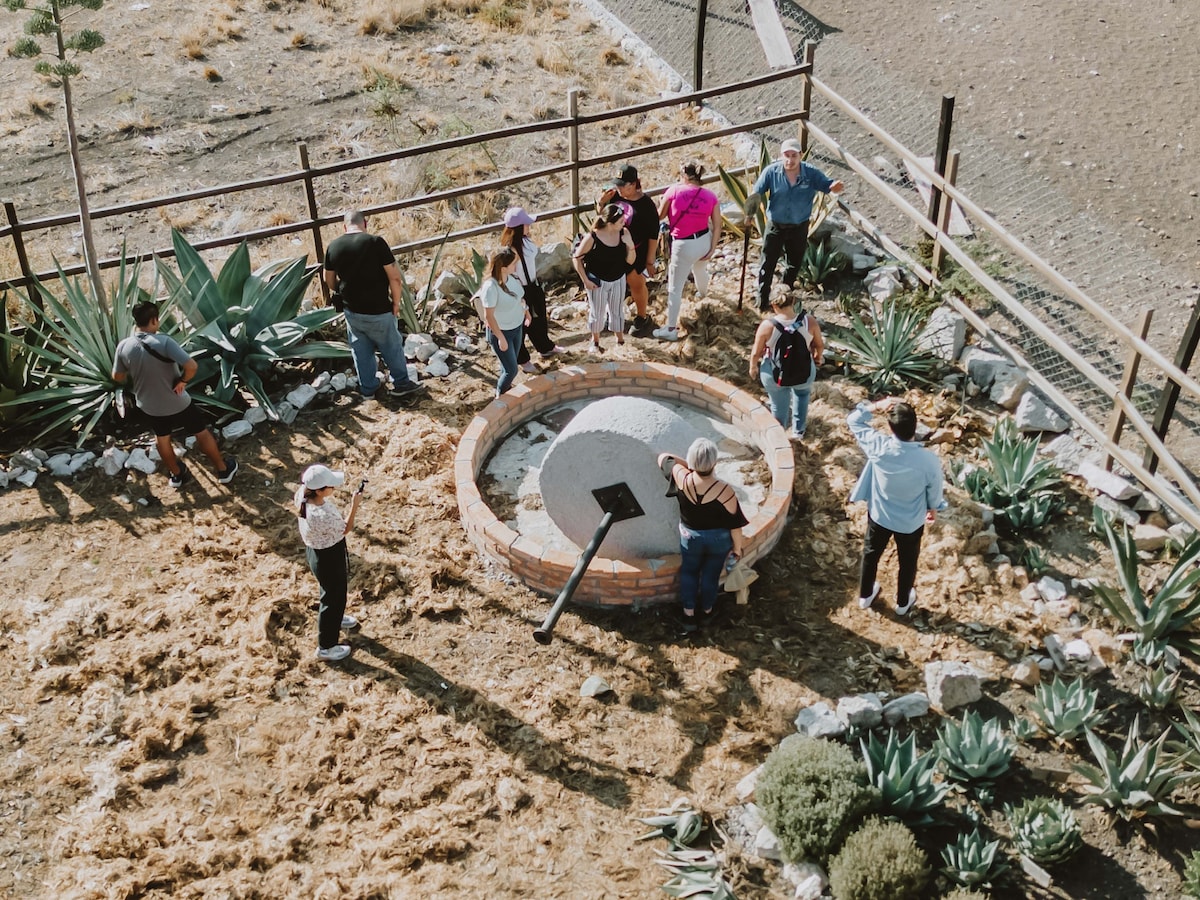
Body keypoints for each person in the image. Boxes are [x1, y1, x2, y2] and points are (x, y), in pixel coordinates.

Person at [112, 300, 238, 489]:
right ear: (154, 320)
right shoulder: (164, 342)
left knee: (162, 438)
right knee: (200, 432)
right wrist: (183, 381)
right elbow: (192, 366)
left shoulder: (124, 346)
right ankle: (223, 470)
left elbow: (117, 377)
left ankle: (177, 475)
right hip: (177, 401)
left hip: (150, 405)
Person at [847, 397, 947, 616]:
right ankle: (902, 603)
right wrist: (933, 508)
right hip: (910, 522)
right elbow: (934, 491)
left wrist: (877, 405)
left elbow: (853, 420)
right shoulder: (928, 461)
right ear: (915, 426)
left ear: (891, 428)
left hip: (880, 516)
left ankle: (865, 596)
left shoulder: (878, 446)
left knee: (871, 554)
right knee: (908, 561)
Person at [323, 210, 423, 402]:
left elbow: (328, 279)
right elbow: (395, 277)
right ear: (365, 223)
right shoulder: (376, 242)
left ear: (344, 226)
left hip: (351, 310)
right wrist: (396, 302)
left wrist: (341, 291)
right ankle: (401, 384)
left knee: (360, 350)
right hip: (379, 309)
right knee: (391, 347)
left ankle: (368, 388)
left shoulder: (333, 246)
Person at [659, 439, 748, 633]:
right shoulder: (725, 491)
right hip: (718, 540)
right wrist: (737, 549)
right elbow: (735, 527)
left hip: (690, 537)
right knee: (711, 574)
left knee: (689, 572)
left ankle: (688, 615)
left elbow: (664, 458)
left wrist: (689, 465)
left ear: (691, 460)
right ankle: (707, 612)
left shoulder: (682, 478)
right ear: (714, 463)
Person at [745, 139, 844, 312]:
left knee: (793, 264)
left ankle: (785, 298)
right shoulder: (771, 172)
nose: (790, 160)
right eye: (787, 155)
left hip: (799, 226)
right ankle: (762, 300)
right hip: (776, 226)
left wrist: (834, 186)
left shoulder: (810, 173)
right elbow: (756, 193)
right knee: (767, 263)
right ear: (781, 155)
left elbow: (827, 185)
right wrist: (749, 214)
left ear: (800, 155)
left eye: (794, 156)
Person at [296, 465, 364, 663]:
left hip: (316, 552)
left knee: (332, 593)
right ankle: (326, 647)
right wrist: (355, 504)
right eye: (330, 486)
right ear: (319, 491)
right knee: (332, 598)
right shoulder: (321, 516)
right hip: (328, 557)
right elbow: (345, 528)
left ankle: (336, 617)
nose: (334, 488)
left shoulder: (302, 494)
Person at [655, 160, 722, 341]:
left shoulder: (673, 191)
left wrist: (661, 201)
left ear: (684, 175)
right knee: (700, 269)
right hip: (703, 240)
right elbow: (717, 225)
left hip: (682, 245)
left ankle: (671, 328)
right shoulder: (710, 195)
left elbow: (660, 216)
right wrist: (713, 247)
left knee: (675, 288)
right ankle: (703, 293)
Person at [748, 290, 825, 441]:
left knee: (778, 404)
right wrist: (817, 357)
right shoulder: (809, 321)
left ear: (773, 305)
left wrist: (753, 367)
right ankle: (798, 432)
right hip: (804, 371)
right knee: (802, 396)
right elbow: (819, 345)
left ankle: (779, 436)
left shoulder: (767, 326)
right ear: (794, 301)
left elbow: (756, 353)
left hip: (775, 374)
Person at [500, 206, 566, 374]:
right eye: (526, 224)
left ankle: (545, 347)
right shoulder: (509, 251)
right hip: (519, 291)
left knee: (539, 320)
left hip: (533, 286)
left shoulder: (527, 242)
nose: (529, 226)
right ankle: (523, 360)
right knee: (521, 326)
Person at [572, 203, 635, 354]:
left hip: (618, 278)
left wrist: (630, 245)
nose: (624, 223)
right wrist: (585, 280)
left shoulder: (624, 233)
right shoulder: (592, 237)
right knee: (597, 313)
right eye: (621, 221)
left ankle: (620, 341)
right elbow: (576, 258)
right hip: (598, 282)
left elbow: (630, 261)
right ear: (610, 224)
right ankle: (595, 342)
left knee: (617, 311)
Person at [609, 164, 659, 337]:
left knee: (636, 284)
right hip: (614, 249)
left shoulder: (646, 205)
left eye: (623, 185)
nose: (619, 189)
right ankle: (613, 314)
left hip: (636, 251)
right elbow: (603, 219)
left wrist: (650, 260)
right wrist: (601, 203)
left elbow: (653, 235)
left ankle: (642, 317)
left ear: (633, 184)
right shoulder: (614, 197)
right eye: (618, 185)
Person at [479, 246, 531, 396]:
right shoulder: (491, 287)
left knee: (507, 365)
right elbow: (488, 316)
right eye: (513, 263)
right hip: (502, 332)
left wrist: (526, 312)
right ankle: (500, 396)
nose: (516, 266)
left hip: (516, 327)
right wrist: (501, 338)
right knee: (511, 370)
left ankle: (506, 389)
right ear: (503, 268)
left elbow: (519, 298)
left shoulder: (511, 278)